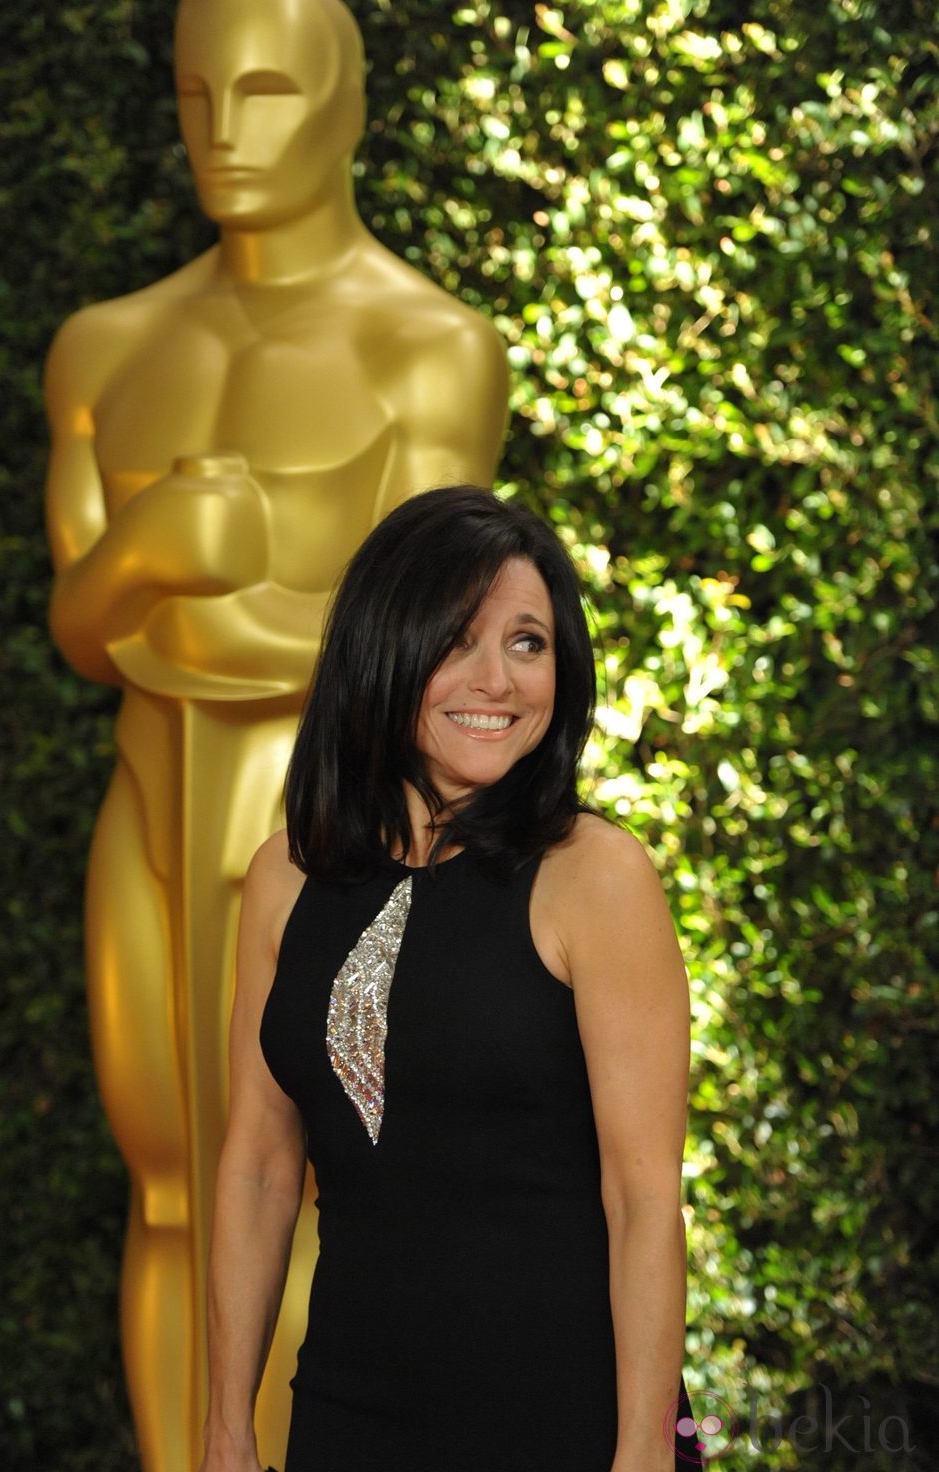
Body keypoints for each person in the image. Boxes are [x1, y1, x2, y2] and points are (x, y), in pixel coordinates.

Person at [44, 0, 507, 1461]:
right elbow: (82, 621)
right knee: (173, 1187)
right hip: (151, 813)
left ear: (345, 102)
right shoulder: (106, 347)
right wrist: (156, 554)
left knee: (321, 1175)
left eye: (263, 91)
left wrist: (189, 621)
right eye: (196, 96)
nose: (225, 135)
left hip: (328, 829)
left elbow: (432, 642)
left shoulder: (429, 348)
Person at [201, 485, 702, 1472]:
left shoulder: (593, 876)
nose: (497, 679)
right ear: (382, 648)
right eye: (456, 640)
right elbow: (257, 1166)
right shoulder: (283, 876)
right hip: (345, 1417)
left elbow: (642, 1196)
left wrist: (643, 1446)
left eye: (527, 642)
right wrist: (223, 1429)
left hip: (565, 1421)